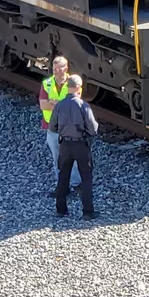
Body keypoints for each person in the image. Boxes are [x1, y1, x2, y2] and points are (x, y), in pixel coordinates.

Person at [49, 74, 98, 219]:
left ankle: (60, 210)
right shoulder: (83, 105)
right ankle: (88, 212)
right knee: (86, 177)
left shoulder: (59, 105)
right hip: (80, 144)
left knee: (63, 176)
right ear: (78, 88)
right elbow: (93, 128)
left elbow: (52, 126)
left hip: (65, 144)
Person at [39, 56, 81, 197]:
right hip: (52, 127)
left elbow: (74, 104)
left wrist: (54, 103)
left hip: (69, 127)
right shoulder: (47, 83)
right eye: (55, 69)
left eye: (60, 69)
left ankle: (76, 184)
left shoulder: (73, 82)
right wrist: (61, 103)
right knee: (57, 158)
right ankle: (62, 187)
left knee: (73, 156)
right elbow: (43, 104)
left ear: (66, 68)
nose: (57, 72)